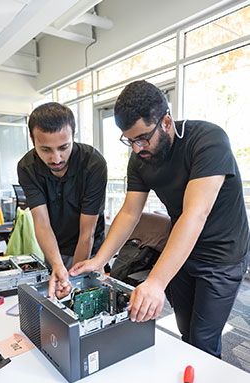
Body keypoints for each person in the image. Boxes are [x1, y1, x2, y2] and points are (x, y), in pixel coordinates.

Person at [70, 80, 249, 358]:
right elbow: (130, 212)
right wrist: (99, 259)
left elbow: (195, 213)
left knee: (203, 339)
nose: (137, 148)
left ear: (166, 121)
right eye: (130, 140)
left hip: (222, 255)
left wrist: (155, 282)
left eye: (142, 138)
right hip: (180, 250)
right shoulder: (140, 157)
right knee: (186, 330)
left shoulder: (208, 140)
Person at [18, 102, 107, 299]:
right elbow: (41, 223)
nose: (56, 158)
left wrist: (73, 279)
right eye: (46, 150)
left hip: (89, 247)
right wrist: (58, 265)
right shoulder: (27, 167)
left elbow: (87, 232)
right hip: (54, 247)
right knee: (58, 295)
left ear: (73, 136)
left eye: (63, 147)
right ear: (33, 141)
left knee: (86, 299)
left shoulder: (93, 164)